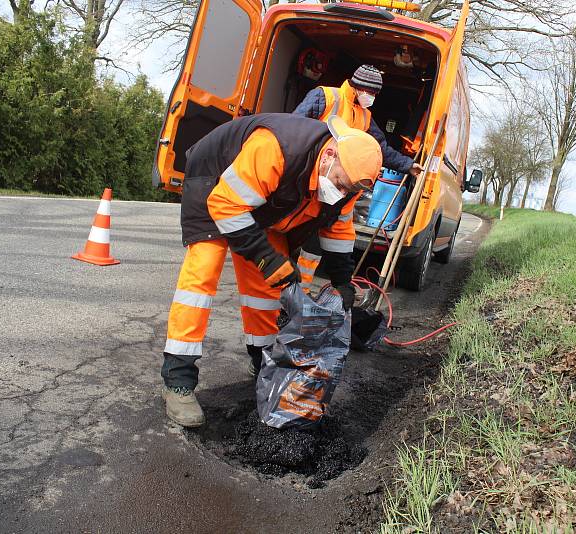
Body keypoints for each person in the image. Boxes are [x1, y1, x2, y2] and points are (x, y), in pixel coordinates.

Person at [161, 113, 383, 427]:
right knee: (201, 277)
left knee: (264, 290)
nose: (341, 192)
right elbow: (226, 205)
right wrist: (268, 260)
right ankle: (178, 379)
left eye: (348, 190)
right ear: (329, 156)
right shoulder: (276, 148)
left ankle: (262, 358)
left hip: (260, 199)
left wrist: (342, 281)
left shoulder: (348, 181)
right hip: (214, 183)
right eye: (339, 184)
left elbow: (338, 232)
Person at [292, 64, 423, 179]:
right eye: (371, 92)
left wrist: (408, 165)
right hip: (309, 171)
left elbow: (379, 148)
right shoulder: (325, 96)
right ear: (357, 86)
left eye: (375, 93)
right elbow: (293, 129)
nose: (372, 97)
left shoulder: (366, 115)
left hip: (339, 179)